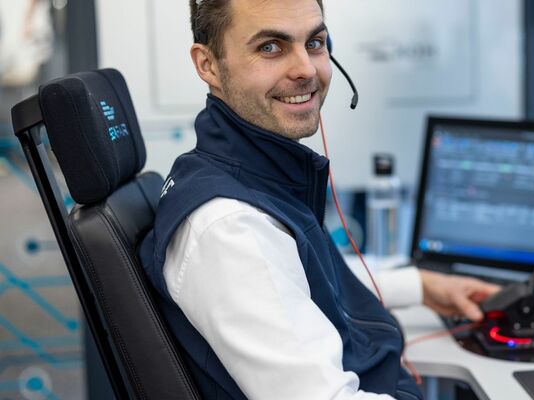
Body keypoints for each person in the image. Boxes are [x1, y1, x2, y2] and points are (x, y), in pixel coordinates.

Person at [138, 0, 501, 399]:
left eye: (314, 42)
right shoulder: (230, 227)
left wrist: (422, 286)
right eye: (270, 47)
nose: (306, 69)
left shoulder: (241, 175)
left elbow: (295, 283)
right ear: (208, 65)